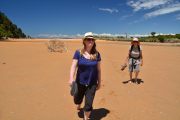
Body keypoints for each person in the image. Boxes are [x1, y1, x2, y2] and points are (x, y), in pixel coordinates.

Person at [69, 32, 101, 120]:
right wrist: (71, 78)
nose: (90, 41)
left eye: (92, 39)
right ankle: (79, 103)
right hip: (80, 82)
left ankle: (85, 118)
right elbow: (73, 66)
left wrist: (99, 82)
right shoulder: (78, 53)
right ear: (84, 41)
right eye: (88, 39)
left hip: (92, 83)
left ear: (94, 41)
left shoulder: (97, 54)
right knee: (77, 100)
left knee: (88, 104)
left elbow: (98, 70)